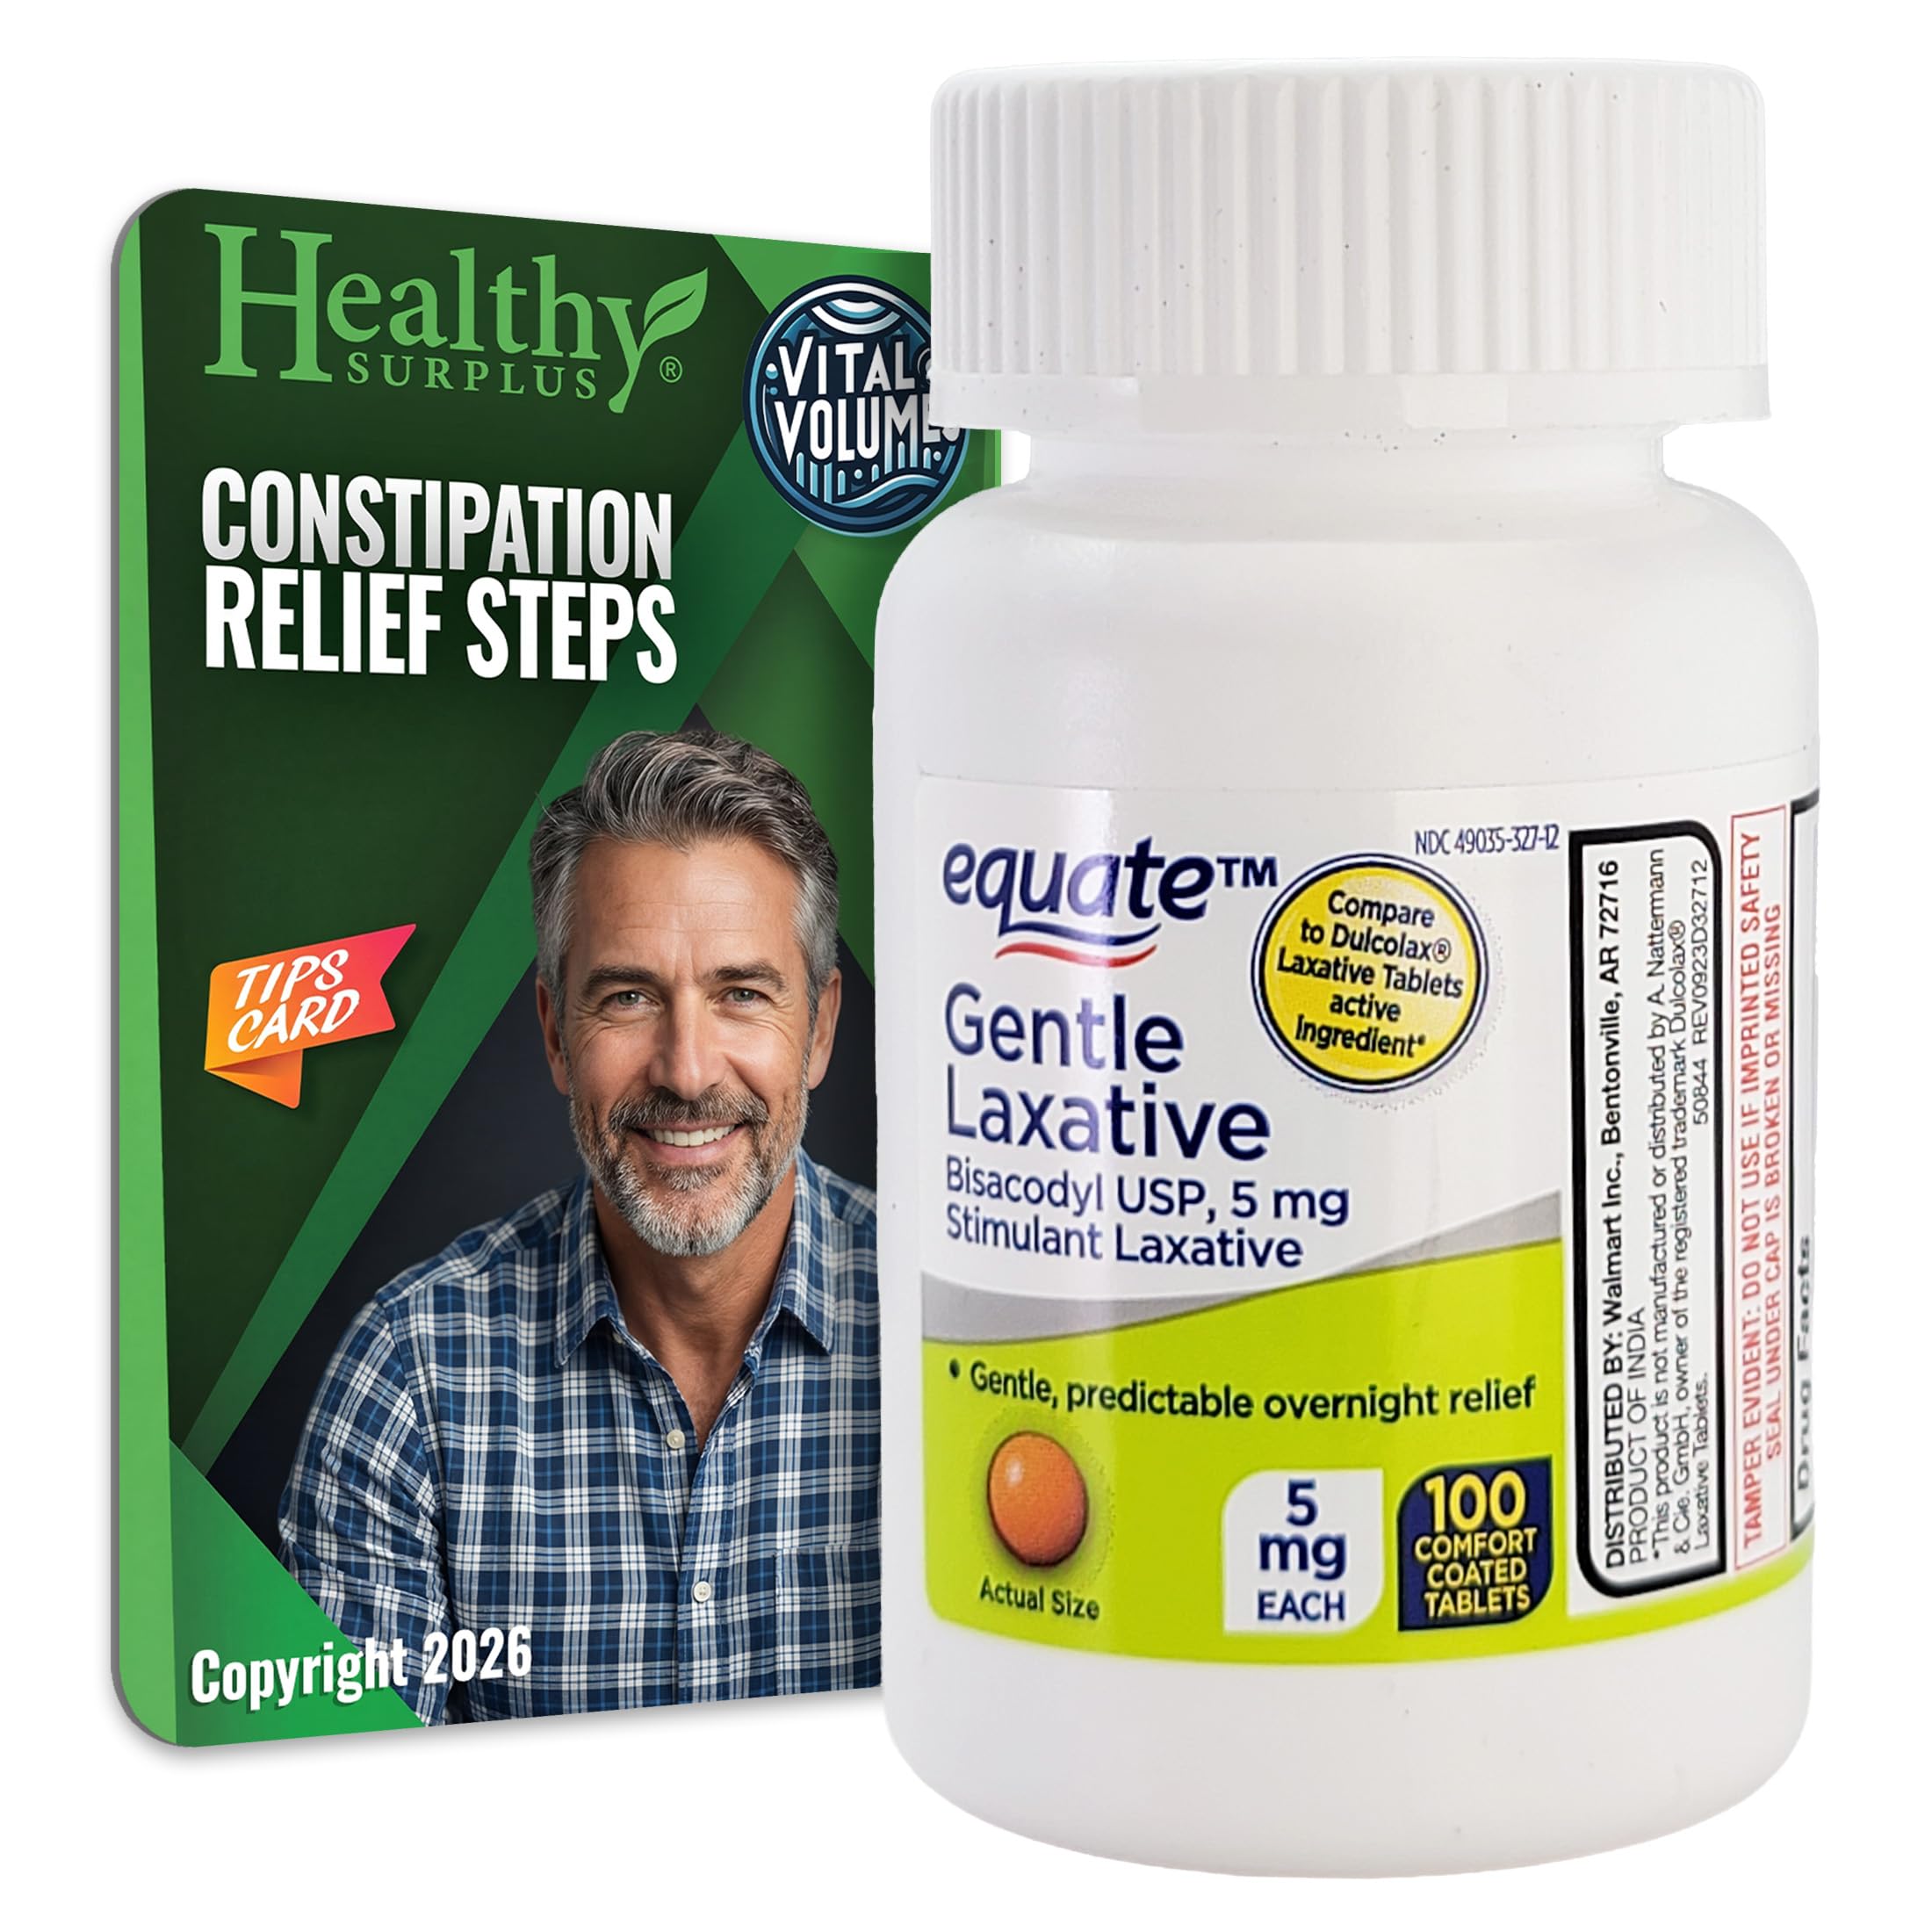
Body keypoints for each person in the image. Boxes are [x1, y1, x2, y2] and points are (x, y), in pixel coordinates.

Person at [279, 729, 878, 1719]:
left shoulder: (951, 1344)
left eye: (741, 994)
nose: (687, 1072)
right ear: (557, 1033)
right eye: (629, 996)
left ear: (817, 1029)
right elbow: (344, 1798)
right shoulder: (410, 1374)